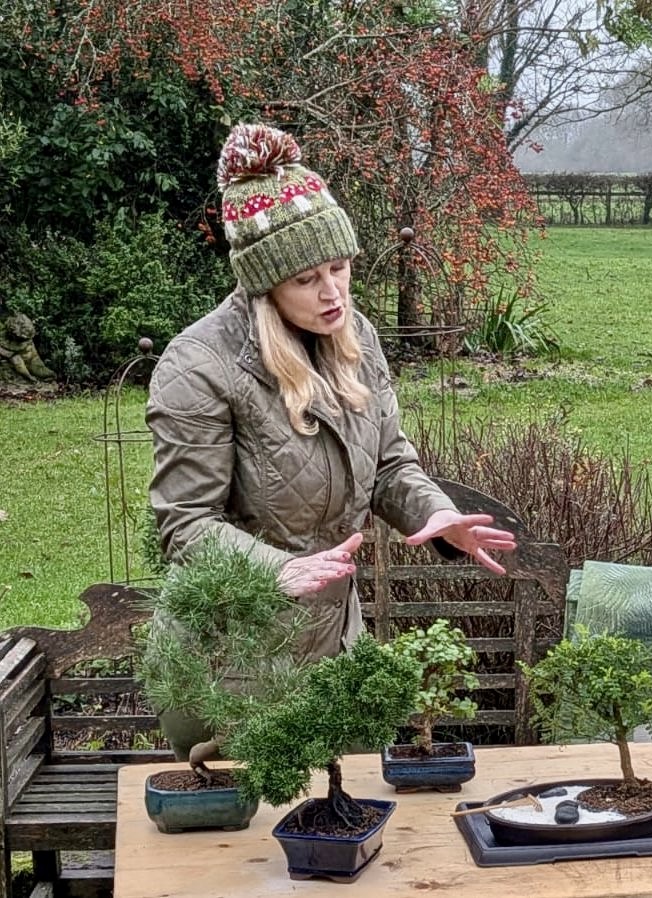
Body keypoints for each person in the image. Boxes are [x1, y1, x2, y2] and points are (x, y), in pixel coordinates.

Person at [147, 122, 517, 757]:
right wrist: (278, 569)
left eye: (340, 268)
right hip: (231, 661)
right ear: (264, 283)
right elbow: (185, 523)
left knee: (344, 809)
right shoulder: (199, 366)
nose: (333, 292)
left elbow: (389, 463)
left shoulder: (356, 339)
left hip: (333, 644)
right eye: (306, 279)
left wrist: (435, 513)